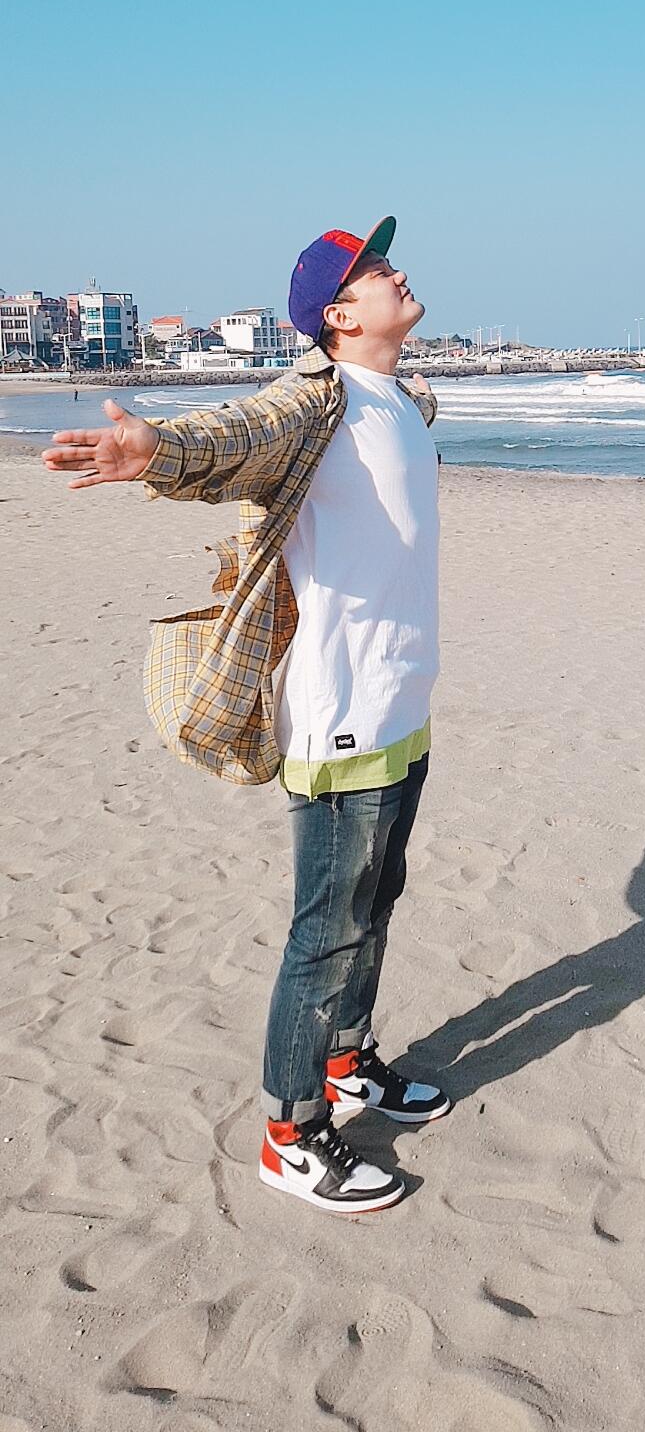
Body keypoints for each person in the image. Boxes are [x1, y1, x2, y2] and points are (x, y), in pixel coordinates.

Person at [43, 218, 450, 1217]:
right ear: (339, 316)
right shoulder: (313, 402)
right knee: (327, 929)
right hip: (341, 709)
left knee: (375, 903)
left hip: (403, 698)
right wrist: (154, 448)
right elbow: (235, 435)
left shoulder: (403, 398)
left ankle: (349, 1064)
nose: (397, 272)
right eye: (375, 269)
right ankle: (291, 1136)